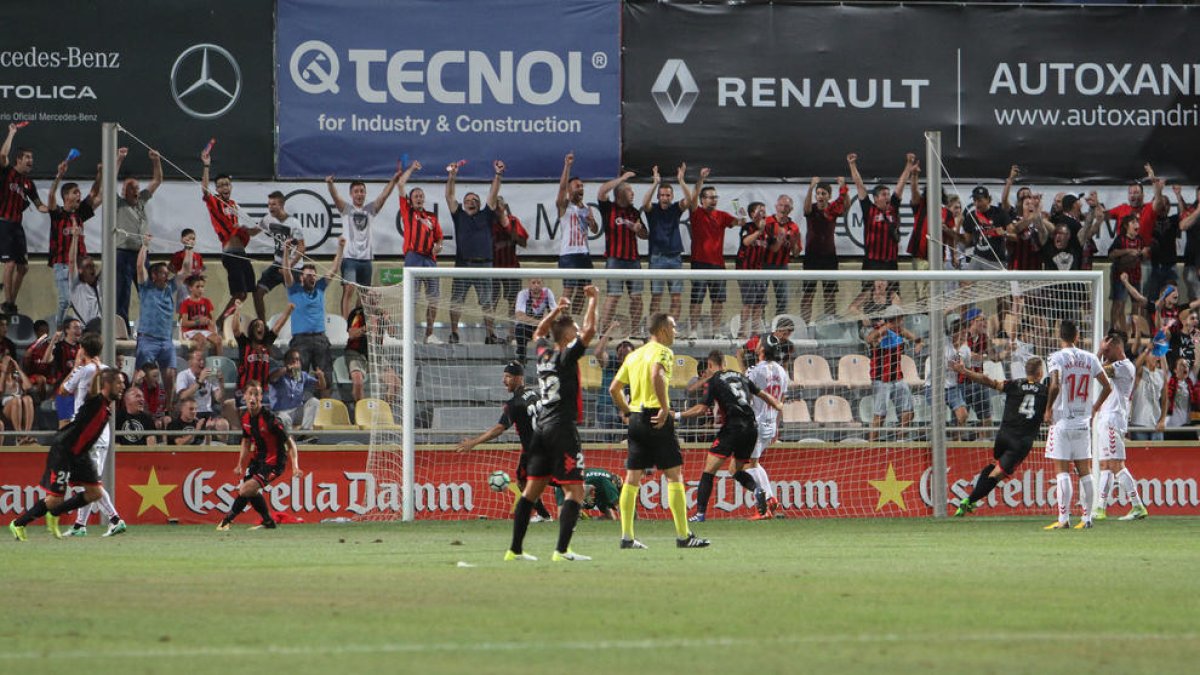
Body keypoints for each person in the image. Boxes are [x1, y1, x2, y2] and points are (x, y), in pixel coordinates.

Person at [504, 286, 598, 563]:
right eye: (575, 330)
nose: (579, 332)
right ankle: (562, 550)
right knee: (575, 490)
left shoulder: (544, 356)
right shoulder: (566, 357)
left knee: (532, 491)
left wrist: (555, 311)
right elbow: (590, 331)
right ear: (568, 336)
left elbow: (538, 333)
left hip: (541, 428)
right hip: (561, 428)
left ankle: (515, 550)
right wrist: (593, 300)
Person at [609, 312, 709, 549]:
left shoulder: (634, 355)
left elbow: (614, 388)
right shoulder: (663, 351)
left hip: (636, 419)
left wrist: (626, 412)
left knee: (632, 478)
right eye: (673, 327)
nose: (676, 331)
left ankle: (627, 536)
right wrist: (665, 409)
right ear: (663, 330)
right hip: (657, 417)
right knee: (674, 476)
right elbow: (657, 374)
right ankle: (684, 536)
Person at [9, 369, 125, 541]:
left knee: (95, 493)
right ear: (106, 385)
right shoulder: (95, 401)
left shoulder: (105, 405)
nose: (123, 386)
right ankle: (18, 524)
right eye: (119, 383)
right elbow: (93, 391)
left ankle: (55, 514)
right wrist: (98, 372)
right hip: (64, 450)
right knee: (55, 499)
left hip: (80, 454)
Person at [681, 350, 782, 522]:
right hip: (751, 428)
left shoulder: (714, 380)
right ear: (725, 363)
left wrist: (677, 415)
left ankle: (700, 514)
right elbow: (763, 394)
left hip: (733, 428)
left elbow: (701, 409)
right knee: (734, 470)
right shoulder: (740, 376)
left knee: (709, 470)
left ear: (711, 365)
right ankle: (758, 490)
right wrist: (778, 405)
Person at [455, 361, 553, 523]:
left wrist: (474, 442)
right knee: (524, 481)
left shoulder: (514, 404)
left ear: (519, 378)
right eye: (504, 376)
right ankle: (544, 514)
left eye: (508, 376)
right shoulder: (535, 394)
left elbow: (499, 428)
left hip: (534, 449)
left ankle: (571, 497)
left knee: (539, 481)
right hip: (546, 444)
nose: (504, 380)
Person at [952, 357, 1049, 516]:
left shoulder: (1014, 384)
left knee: (993, 465)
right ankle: (969, 500)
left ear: (1027, 371)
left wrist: (965, 372)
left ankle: (971, 500)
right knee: (997, 475)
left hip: (1003, 435)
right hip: (1021, 441)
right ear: (1040, 373)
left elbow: (987, 380)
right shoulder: (1045, 391)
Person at [1043, 320, 1112, 530]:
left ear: (1059, 335)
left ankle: (1064, 519)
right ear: (1077, 336)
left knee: (1062, 471)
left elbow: (1055, 384)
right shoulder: (1091, 358)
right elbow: (1107, 386)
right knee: (1085, 471)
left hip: (1062, 421)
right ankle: (1087, 518)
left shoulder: (1055, 357)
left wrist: (1047, 409)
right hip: (1083, 422)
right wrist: (1095, 407)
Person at [60, 334, 127, 537]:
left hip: (88, 432)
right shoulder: (108, 370)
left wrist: (75, 367)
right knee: (86, 480)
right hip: (102, 430)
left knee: (90, 482)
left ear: (81, 348)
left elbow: (63, 391)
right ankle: (80, 525)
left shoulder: (84, 370)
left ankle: (115, 519)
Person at [216, 380, 301, 531]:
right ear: (244, 397)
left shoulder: (270, 419)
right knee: (251, 490)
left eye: (256, 394)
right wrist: (240, 464)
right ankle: (268, 521)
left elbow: (290, 443)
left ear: (261, 397)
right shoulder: (245, 418)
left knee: (245, 489)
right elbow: (246, 442)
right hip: (257, 460)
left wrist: (295, 466)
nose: (253, 398)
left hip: (274, 462)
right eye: (250, 394)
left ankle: (227, 521)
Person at [326, 169, 402, 317]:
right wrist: (330, 184)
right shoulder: (346, 209)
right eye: (356, 191)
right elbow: (335, 197)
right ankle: (346, 327)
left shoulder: (370, 210)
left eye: (362, 191)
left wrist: (393, 180)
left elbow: (384, 196)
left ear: (365, 194)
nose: (359, 194)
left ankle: (357, 322)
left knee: (364, 295)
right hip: (349, 258)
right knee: (348, 289)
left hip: (366, 259)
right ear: (351, 194)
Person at [1091, 331, 1148, 522]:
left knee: (1116, 465)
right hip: (1106, 418)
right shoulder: (1117, 365)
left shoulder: (1124, 366)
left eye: (1108, 350)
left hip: (1113, 420)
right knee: (1105, 465)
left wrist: (1098, 351)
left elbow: (1095, 370)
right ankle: (1100, 508)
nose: (1105, 354)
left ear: (1117, 348)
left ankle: (1138, 505)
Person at [446, 159, 504, 344]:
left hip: (484, 264)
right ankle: (454, 333)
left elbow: (493, 195)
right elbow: (449, 196)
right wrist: (452, 176)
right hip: (462, 264)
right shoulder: (459, 216)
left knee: (487, 303)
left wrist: (498, 175)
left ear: (479, 204)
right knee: (456, 301)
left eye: (474, 200)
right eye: (468, 200)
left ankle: (490, 335)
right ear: (463, 204)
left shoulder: (486, 215)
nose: (471, 202)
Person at [200, 148, 260, 325]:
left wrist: (262, 226)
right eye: (221, 185)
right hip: (230, 253)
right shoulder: (214, 201)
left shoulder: (234, 205)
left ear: (231, 186)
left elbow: (248, 230)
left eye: (227, 184)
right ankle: (220, 322)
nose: (224, 187)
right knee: (239, 293)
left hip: (242, 253)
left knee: (247, 292)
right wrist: (206, 166)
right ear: (217, 189)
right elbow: (204, 190)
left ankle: (226, 321)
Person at [848, 152, 913, 305]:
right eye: (884, 194)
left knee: (894, 296)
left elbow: (900, 185)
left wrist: (908, 166)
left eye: (888, 194)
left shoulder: (893, 209)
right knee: (868, 296)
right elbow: (859, 185)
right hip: (872, 263)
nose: (887, 197)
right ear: (876, 198)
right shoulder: (868, 209)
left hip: (891, 263)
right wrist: (852, 165)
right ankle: (867, 325)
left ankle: (895, 325)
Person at [283, 238, 345, 398]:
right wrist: (286, 251)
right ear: (301, 278)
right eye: (308, 275)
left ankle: (325, 408)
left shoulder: (320, 288)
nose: (312, 277)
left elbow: (334, 268)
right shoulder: (294, 290)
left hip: (320, 339)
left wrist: (340, 248)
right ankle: (296, 407)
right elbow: (286, 271)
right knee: (296, 377)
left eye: (314, 275)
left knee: (326, 377)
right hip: (300, 340)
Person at [45, 159, 101, 326]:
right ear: (66, 196)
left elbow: (93, 194)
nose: (79, 195)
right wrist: (59, 175)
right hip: (62, 264)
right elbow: (50, 196)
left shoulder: (80, 214)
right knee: (65, 301)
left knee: (85, 300)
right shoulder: (57, 214)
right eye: (75, 192)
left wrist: (99, 174)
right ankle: (59, 330)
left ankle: (84, 327)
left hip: (79, 267)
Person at [686, 169, 741, 338]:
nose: (713, 200)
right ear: (702, 200)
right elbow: (692, 198)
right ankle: (693, 331)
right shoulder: (696, 212)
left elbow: (739, 222)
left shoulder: (722, 215)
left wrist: (739, 209)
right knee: (697, 299)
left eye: (715, 197)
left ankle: (715, 332)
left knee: (718, 301)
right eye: (710, 197)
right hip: (699, 262)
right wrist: (701, 179)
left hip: (718, 264)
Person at [0, 122, 49, 315]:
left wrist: (55, 209)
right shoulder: (7, 172)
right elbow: (3, 155)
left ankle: (11, 301)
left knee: (24, 267)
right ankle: (7, 303)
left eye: (32, 158)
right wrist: (11, 133)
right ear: (18, 159)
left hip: (17, 227)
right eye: (27, 157)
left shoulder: (29, 184)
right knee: (10, 263)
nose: (31, 161)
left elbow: (40, 206)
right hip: (3, 222)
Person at [395, 160, 444, 343]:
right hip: (413, 257)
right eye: (415, 196)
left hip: (430, 260)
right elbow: (400, 184)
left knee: (433, 298)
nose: (418, 198)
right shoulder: (407, 211)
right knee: (412, 298)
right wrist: (412, 169)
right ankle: (410, 335)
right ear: (411, 199)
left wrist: (439, 246)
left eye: (421, 196)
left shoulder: (431, 217)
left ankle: (429, 334)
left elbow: (439, 238)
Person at [114, 148, 162, 326]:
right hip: (123, 254)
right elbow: (109, 180)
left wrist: (156, 161)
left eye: (136, 187)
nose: (135, 190)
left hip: (141, 254)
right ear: (123, 191)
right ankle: (121, 327)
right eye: (130, 188)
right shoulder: (118, 203)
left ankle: (150, 324)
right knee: (122, 294)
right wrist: (119, 159)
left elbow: (157, 180)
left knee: (147, 290)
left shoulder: (141, 201)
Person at [134, 235, 181, 411]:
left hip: (166, 340)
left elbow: (186, 271)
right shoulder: (146, 288)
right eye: (162, 272)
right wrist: (145, 245)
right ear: (154, 275)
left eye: (166, 273)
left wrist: (189, 249)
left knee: (170, 374)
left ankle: (168, 407)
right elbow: (139, 266)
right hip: (148, 339)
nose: (166, 275)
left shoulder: (170, 288)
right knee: (142, 376)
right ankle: (139, 407)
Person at [596, 170, 647, 332]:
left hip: (633, 260)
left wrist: (638, 230)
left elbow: (645, 235)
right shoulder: (608, 208)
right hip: (614, 259)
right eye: (629, 190)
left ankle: (635, 331)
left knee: (636, 297)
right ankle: (602, 331)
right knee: (614, 296)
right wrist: (622, 179)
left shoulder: (635, 212)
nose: (633, 194)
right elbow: (602, 191)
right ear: (619, 193)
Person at [744, 340, 788, 518]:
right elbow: (781, 401)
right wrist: (776, 426)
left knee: (748, 465)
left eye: (759, 343)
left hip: (757, 422)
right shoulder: (782, 371)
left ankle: (763, 508)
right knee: (754, 462)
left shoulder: (756, 371)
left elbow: (745, 394)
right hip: (770, 423)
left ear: (762, 349)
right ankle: (771, 499)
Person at [642, 164, 689, 321]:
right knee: (656, 297)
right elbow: (644, 203)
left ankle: (672, 329)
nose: (665, 198)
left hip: (675, 258)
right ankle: (654, 329)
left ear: (672, 197)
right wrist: (655, 183)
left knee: (676, 297)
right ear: (658, 196)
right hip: (657, 258)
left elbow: (689, 200)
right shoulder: (652, 210)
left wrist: (681, 180)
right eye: (662, 195)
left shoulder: (676, 209)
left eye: (668, 195)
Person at [800, 175, 849, 323]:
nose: (820, 196)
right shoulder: (812, 209)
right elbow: (806, 208)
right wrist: (810, 187)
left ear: (829, 196)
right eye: (818, 193)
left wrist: (844, 187)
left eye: (823, 194)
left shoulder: (833, 209)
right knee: (808, 294)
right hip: (811, 257)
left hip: (829, 257)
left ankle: (829, 325)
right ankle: (806, 325)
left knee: (829, 295)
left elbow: (846, 206)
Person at [554, 152, 598, 313]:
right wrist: (567, 165)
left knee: (584, 290)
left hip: (584, 253)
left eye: (582, 186)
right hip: (569, 254)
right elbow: (561, 188)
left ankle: (574, 320)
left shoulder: (586, 208)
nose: (580, 188)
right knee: (569, 290)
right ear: (569, 189)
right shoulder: (564, 206)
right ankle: (564, 320)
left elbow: (594, 229)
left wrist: (592, 223)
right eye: (577, 186)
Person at [252, 191, 304, 321]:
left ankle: (300, 327)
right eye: (269, 204)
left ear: (282, 205)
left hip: (294, 267)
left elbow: (302, 247)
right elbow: (253, 232)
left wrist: (289, 266)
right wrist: (238, 227)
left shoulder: (294, 223)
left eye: (274, 204)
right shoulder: (267, 219)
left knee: (297, 300)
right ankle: (262, 324)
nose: (270, 207)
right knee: (258, 292)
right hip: (277, 264)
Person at [865, 316, 917, 441]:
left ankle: (900, 440)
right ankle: (871, 445)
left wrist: (919, 342)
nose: (903, 321)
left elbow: (915, 338)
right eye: (901, 319)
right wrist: (885, 328)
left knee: (909, 412)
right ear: (893, 320)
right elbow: (869, 339)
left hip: (898, 377)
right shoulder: (879, 331)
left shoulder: (899, 331)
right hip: (881, 379)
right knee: (880, 414)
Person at [488, 195, 530, 339]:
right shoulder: (488, 223)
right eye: (493, 206)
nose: (496, 209)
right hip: (492, 268)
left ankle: (511, 334)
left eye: (498, 206)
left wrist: (511, 233)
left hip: (511, 266)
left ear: (504, 207)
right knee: (491, 300)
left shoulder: (513, 221)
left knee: (513, 302)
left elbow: (524, 243)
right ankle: (490, 334)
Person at [174, 348, 231, 437]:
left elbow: (218, 398)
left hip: (208, 412)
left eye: (203, 360)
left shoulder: (210, 375)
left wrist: (221, 382)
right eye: (199, 360)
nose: (202, 363)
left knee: (223, 424)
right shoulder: (183, 375)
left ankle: (222, 449)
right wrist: (200, 380)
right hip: (191, 412)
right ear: (190, 363)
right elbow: (182, 396)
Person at [1108, 214, 1149, 335]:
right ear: (1126, 226)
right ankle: (1113, 328)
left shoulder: (1140, 240)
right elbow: (1111, 254)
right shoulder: (1120, 239)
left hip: (1135, 275)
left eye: (1138, 222)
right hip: (1121, 276)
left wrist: (1143, 254)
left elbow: (1144, 257)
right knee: (1119, 303)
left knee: (1136, 304)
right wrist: (1128, 251)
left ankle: (1135, 330)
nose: (1137, 225)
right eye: (1133, 222)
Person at [763, 194, 801, 317]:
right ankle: (759, 328)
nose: (783, 208)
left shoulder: (794, 227)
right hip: (764, 265)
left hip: (782, 266)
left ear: (791, 209)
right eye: (781, 205)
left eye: (787, 206)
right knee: (760, 299)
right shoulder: (767, 222)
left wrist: (794, 243)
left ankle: (778, 329)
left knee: (783, 300)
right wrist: (779, 240)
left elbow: (796, 253)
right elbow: (766, 246)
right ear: (776, 206)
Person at [267, 349, 324, 432]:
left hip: (297, 411)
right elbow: (271, 378)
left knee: (314, 401)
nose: (296, 362)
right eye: (293, 360)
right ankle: (290, 439)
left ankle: (305, 433)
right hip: (281, 412)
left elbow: (321, 386)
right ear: (286, 361)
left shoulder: (301, 375)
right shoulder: (279, 373)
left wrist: (321, 376)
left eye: (298, 360)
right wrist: (287, 368)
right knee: (285, 419)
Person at [735, 202, 769, 339]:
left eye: (764, 211)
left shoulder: (768, 231)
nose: (762, 214)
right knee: (748, 303)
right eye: (759, 211)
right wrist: (759, 231)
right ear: (751, 214)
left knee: (759, 304)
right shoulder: (747, 227)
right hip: (745, 270)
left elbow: (772, 247)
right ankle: (742, 332)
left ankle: (755, 333)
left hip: (760, 271)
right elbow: (746, 242)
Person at [46, 318, 83, 428]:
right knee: (65, 423)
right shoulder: (59, 347)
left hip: (80, 390)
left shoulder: (82, 347)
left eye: (80, 328)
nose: (79, 330)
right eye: (75, 327)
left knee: (79, 424)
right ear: (67, 330)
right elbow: (47, 360)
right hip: (64, 390)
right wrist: (53, 340)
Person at [512, 277, 556, 364]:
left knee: (555, 327)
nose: (536, 285)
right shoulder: (523, 294)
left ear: (542, 283)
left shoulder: (547, 293)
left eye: (539, 282)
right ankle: (521, 357)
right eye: (533, 283)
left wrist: (547, 320)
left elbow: (556, 313)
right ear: (529, 284)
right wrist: (540, 322)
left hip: (541, 328)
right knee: (519, 328)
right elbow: (519, 316)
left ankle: (546, 358)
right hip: (527, 326)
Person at [179, 274, 223, 355]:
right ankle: (200, 362)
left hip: (205, 330)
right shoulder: (185, 303)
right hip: (190, 331)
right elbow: (184, 323)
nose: (201, 289)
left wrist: (209, 322)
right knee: (201, 338)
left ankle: (218, 362)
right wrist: (198, 322)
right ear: (190, 288)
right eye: (197, 286)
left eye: (202, 287)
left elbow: (213, 320)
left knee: (218, 339)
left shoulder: (207, 302)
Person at [554, 467, 622, 520]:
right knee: (565, 516)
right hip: (571, 485)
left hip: (577, 485)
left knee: (609, 514)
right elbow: (617, 503)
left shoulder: (603, 479)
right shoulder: (608, 482)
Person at [1157, 356, 1199, 441]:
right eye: (1181, 365)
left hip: (1186, 428)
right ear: (1175, 370)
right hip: (1170, 427)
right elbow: (1163, 361)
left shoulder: (1190, 381)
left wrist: (1197, 342)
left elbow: (1197, 362)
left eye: (1186, 365)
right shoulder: (1169, 379)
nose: (1185, 366)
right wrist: (1161, 345)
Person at [1130, 346, 1166, 442]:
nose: (1156, 357)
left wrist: (1162, 420)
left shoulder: (1161, 374)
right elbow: (1133, 368)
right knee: (1141, 456)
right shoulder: (1140, 372)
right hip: (1139, 423)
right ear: (1146, 356)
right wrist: (1147, 350)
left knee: (1159, 456)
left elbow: (1165, 400)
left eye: (1157, 354)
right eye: (1153, 354)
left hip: (1156, 425)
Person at [1, 354, 35, 445]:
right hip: (5, 409)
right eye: (7, 364)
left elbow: (28, 387)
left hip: (21, 406)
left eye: (11, 363)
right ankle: (19, 435)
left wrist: (19, 369)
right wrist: (4, 372)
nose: (9, 366)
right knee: (17, 400)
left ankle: (27, 434)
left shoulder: (16, 376)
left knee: (28, 398)